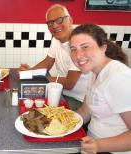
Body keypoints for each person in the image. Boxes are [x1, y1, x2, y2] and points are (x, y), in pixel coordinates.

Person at [69, 23, 131, 154]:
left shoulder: (118, 77)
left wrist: (98, 146)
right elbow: (85, 111)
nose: (78, 55)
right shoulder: (94, 71)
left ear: (103, 47)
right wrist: (60, 123)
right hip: (89, 141)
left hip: (110, 150)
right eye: (73, 49)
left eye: (85, 47)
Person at [19, 4, 91, 110]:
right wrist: (31, 72)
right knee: (24, 102)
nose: (54, 26)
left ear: (70, 20)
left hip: (78, 99)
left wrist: (38, 78)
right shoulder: (56, 38)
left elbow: (69, 83)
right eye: (50, 22)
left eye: (59, 20)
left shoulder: (79, 43)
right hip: (59, 90)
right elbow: (48, 61)